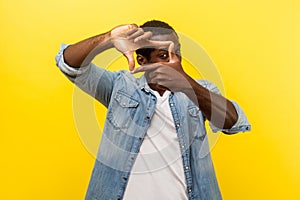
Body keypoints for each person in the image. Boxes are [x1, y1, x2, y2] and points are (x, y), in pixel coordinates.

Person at [55, 20, 251, 200]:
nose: (175, 61)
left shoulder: (199, 90)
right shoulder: (120, 86)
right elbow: (68, 64)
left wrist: (186, 84)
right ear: (142, 60)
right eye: (164, 55)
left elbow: (234, 123)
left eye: (178, 52)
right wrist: (108, 39)